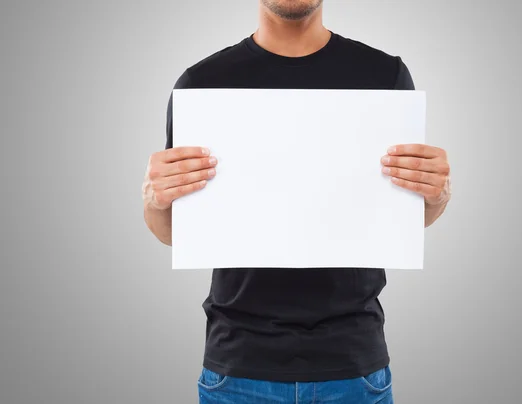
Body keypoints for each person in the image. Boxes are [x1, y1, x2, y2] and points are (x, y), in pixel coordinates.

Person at [142, 1, 451, 402]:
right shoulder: (202, 83)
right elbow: (176, 231)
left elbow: (402, 214)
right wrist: (155, 200)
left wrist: (436, 194)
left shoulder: (384, 76)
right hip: (238, 367)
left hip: (354, 364)